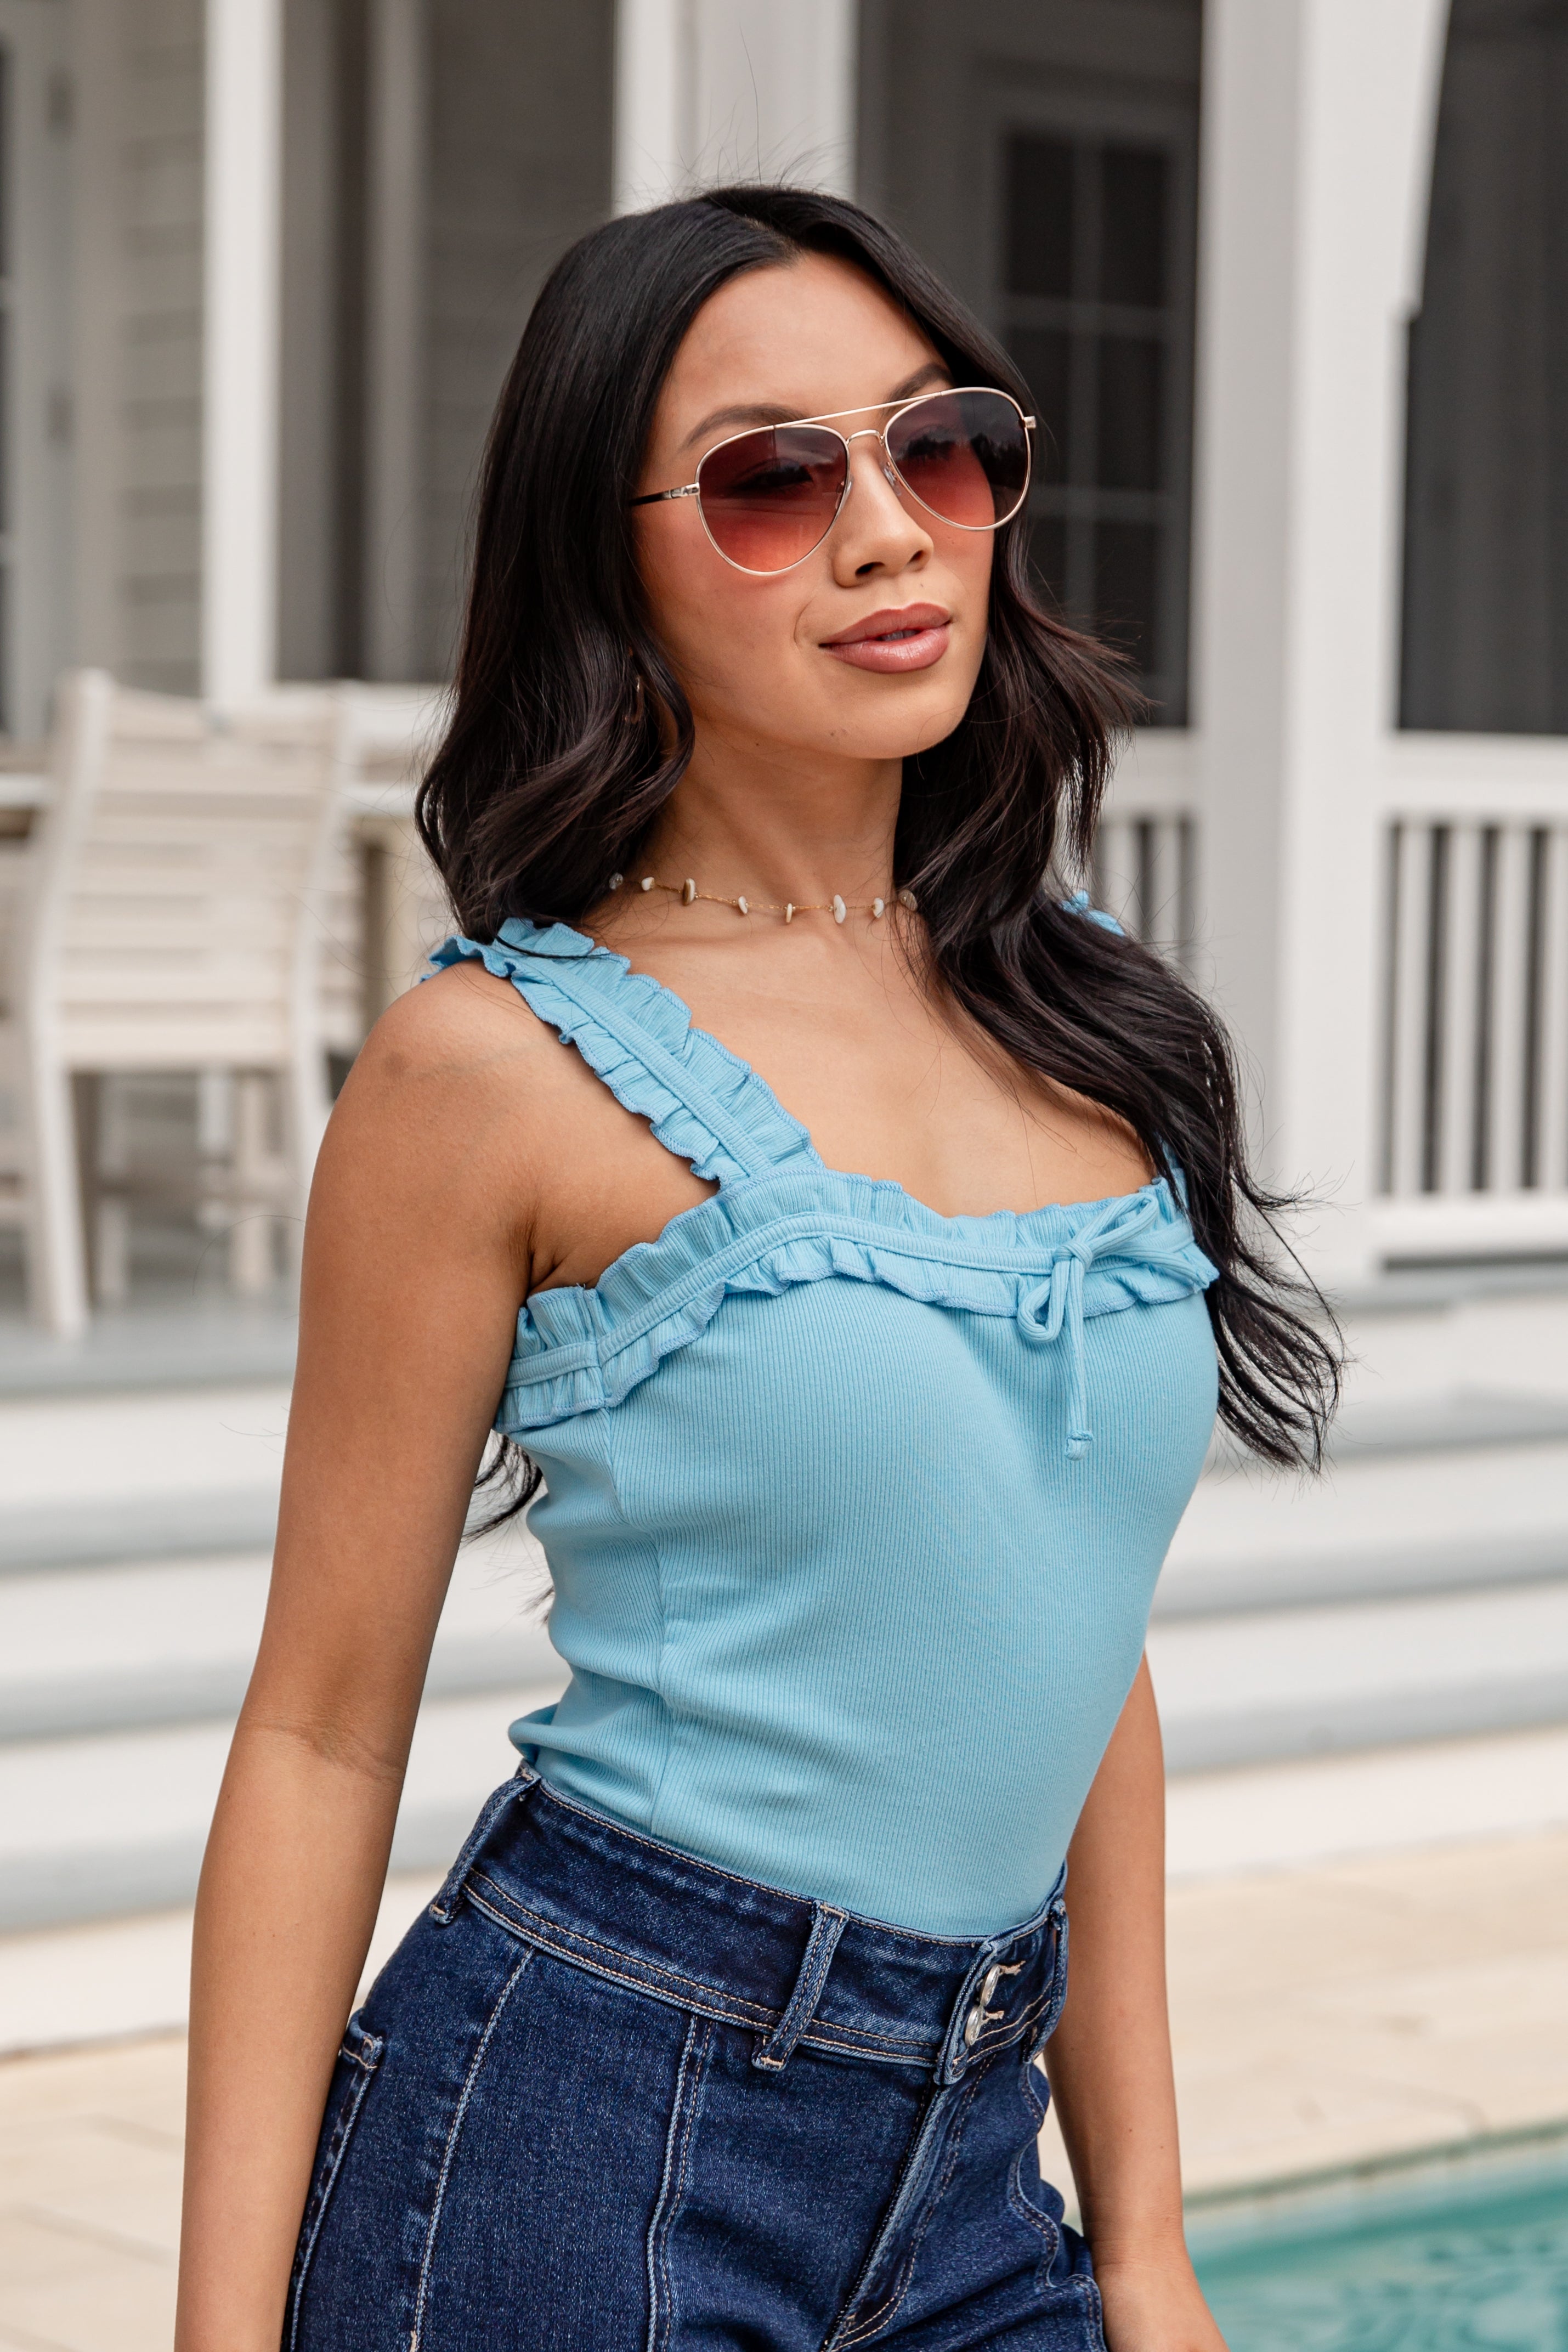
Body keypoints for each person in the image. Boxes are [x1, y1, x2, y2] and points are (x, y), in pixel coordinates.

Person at [174, 186, 1336, 2352]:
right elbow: (321, 1735)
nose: (889, 532)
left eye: (939, 447)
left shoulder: (1082, 1021)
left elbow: (1075, 1640)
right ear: (604, 556)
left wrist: (1149, 2234)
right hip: (587, 2119)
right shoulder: (490, 1068)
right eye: (772, 481)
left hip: (977, 2162)